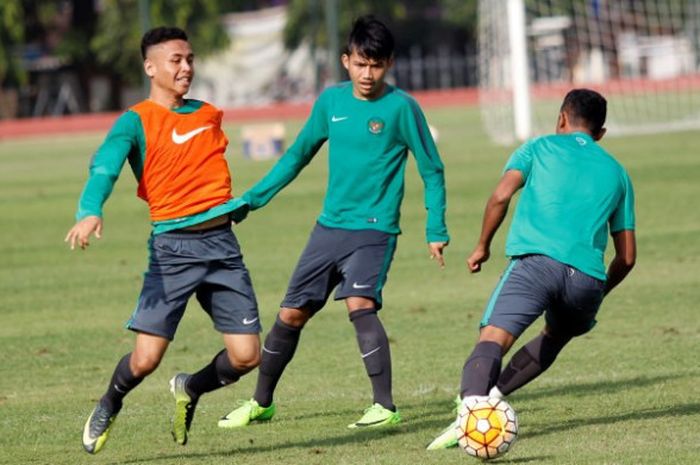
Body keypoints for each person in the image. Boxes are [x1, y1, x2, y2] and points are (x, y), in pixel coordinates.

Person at [217, 15, 449, 430]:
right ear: (346, 61)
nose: (367, 73)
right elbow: (296, 155)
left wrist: (436, 230)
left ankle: (384, 407)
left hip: (374, 230)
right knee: (290, 315)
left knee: (359, 304)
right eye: (361, 63)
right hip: (329, 229)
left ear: (389, 63)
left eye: (376, 65)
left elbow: (432, 170)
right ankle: (261, 403)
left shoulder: (401, 108)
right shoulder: (330, 102)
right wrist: (253, 199)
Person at [66, 26, 260, 454]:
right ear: (150, 67)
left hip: (223, 247)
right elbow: (105, 168)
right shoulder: (135, 120)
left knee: (247, 356)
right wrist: (90, 209)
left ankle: (190, 387)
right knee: (145, 360)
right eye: (176, 60)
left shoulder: (209, 113)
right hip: (173, 252)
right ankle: (110, 401)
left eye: (190, 59)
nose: (186, 67)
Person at [427, 88, 636, 450]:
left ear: (561, 118)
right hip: (586, 279)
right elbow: (628, 256)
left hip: (536, 264)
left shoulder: (538, 147)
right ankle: (491, 399)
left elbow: (500, 196)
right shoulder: (618, 173)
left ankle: (472, 416)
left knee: (492, 339)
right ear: (601, 134)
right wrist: (598, 291)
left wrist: (482, 246)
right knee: (553, 337)